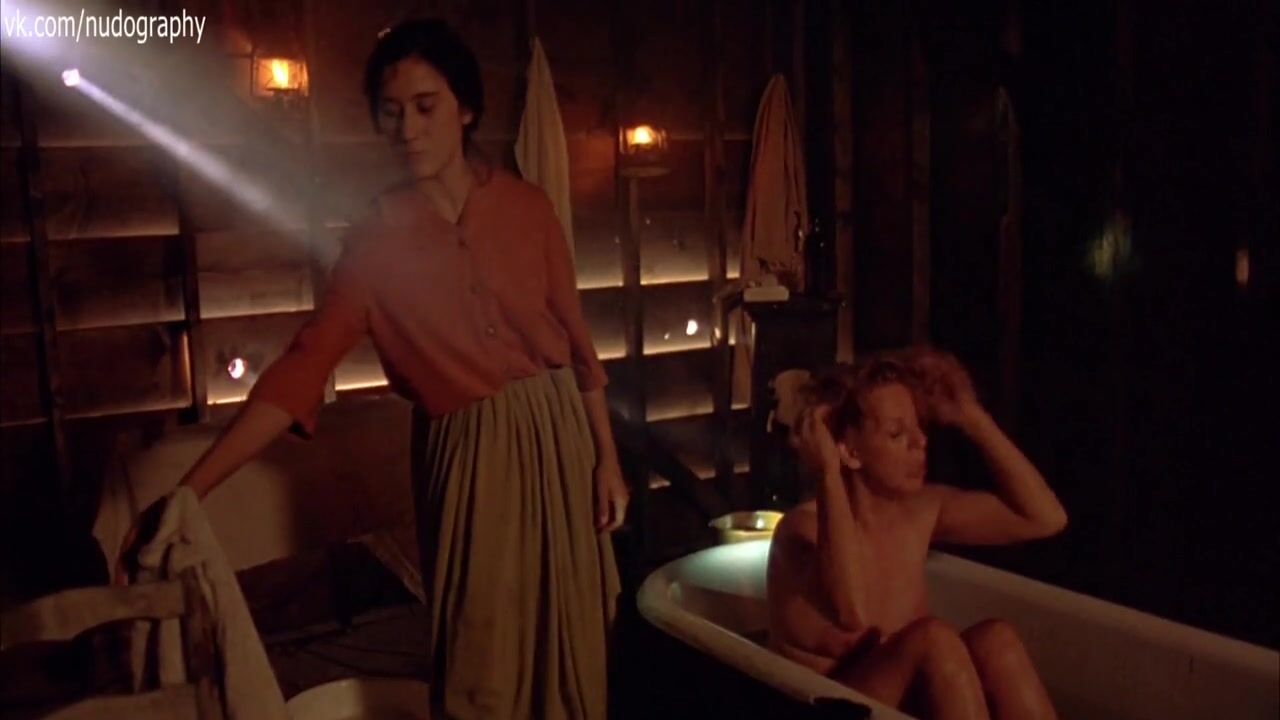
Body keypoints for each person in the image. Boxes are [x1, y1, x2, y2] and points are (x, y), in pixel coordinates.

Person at [119, 19, 625, 720]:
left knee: (567, 639)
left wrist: (606, 459)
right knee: (480, 658)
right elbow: (302, 369)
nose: (408, 129)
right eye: (392, 112)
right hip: (470, 456)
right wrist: (193, 489)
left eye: (426, 106)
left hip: (559, 434)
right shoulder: (377, 241)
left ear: (465, 108)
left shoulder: (527, 208)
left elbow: (577, 344)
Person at [766, 349, 1067, 720]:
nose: (920, 442)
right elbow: (852, 611)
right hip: (821, 708)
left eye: (919, 427)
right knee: (933, 640)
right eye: (897, 433)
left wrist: (971, 417)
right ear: (848, 451)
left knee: (997, 641)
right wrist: (828, 473)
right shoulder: (801, 531)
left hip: (898, 710)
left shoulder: (921, 511)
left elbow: (1045, 519)